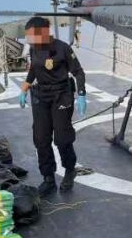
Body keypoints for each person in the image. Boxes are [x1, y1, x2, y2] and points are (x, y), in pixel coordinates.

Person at [18, 17, 87, 196]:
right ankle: (48, 178)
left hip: (61, 95)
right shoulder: (34, 48)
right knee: (41, 138)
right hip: (41, 95)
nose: (30, 40)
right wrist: (24, 88)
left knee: (62, 137)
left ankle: (70, 170)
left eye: (32, 35)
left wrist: (81, 94)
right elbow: (34, 69)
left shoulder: (63, 48)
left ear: (44, 32)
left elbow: (78, 72)